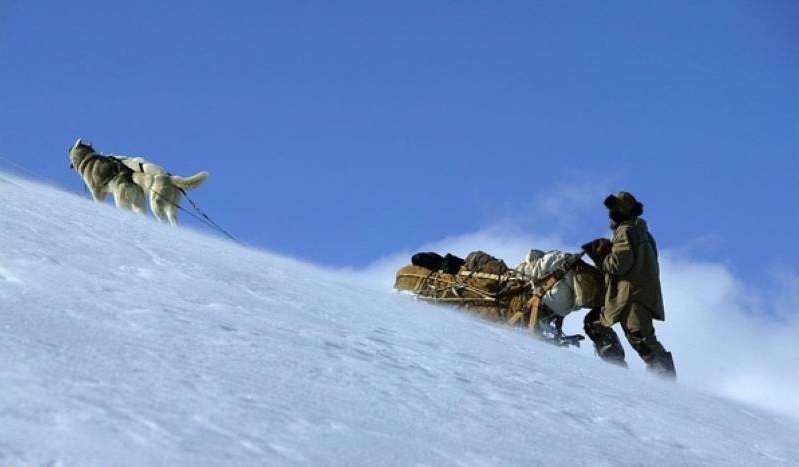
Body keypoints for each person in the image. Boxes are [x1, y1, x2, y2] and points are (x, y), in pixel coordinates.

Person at [582, 191, 676, 379]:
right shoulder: (644, 234)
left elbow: (618, 265)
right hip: (636, 295)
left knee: (641, 338)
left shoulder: (625, 231)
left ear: (620, 212)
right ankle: (618, 369)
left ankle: (663, 379)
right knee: (595, 323)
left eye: (613, 209)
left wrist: (599, 255)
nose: (610, 213)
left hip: (632, 297)